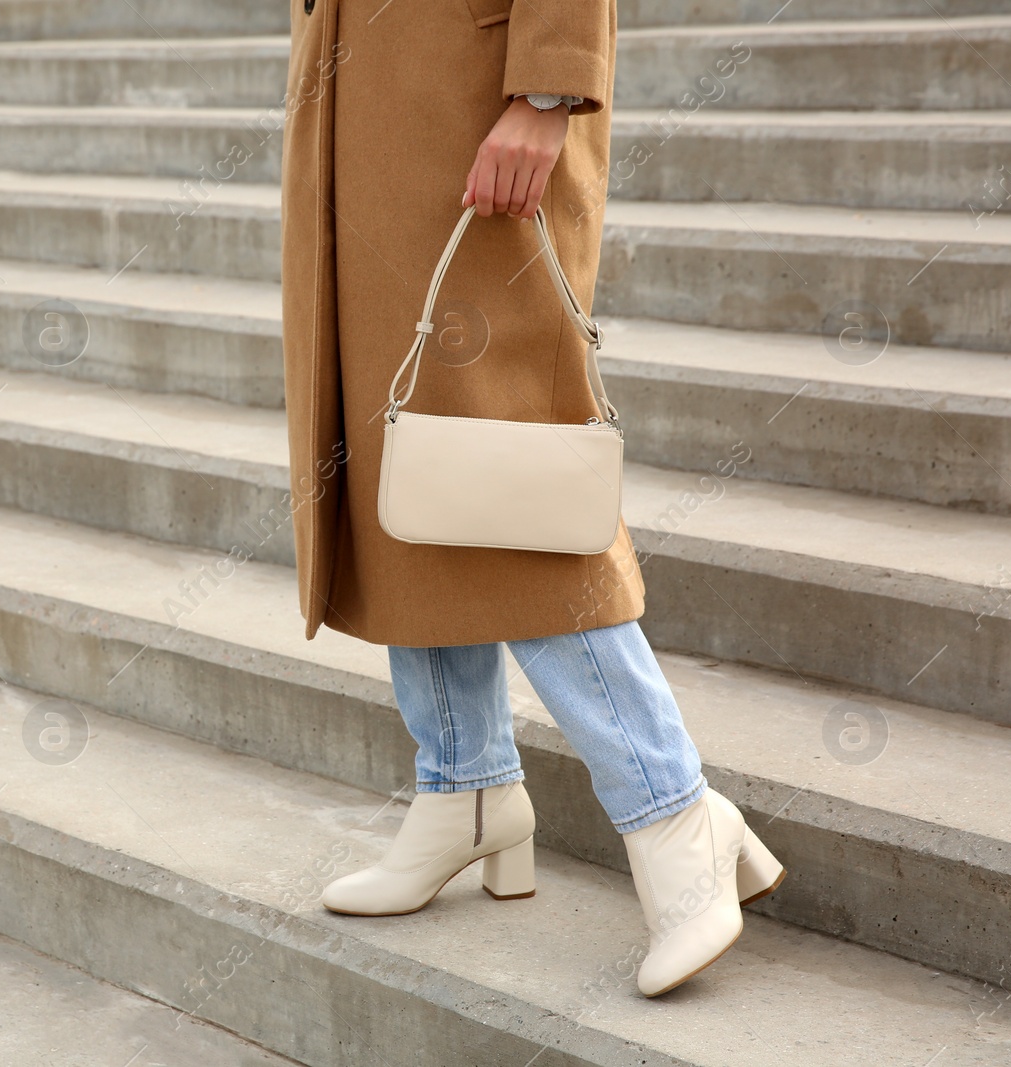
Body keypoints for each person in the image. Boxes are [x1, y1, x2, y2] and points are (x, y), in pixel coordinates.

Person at [277, 0, 785, 997]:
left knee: (512, 480)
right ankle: (464, 784)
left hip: (474, 107)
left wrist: (545, 89)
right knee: (409, 467)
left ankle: (674, 808)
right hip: (362, 109)